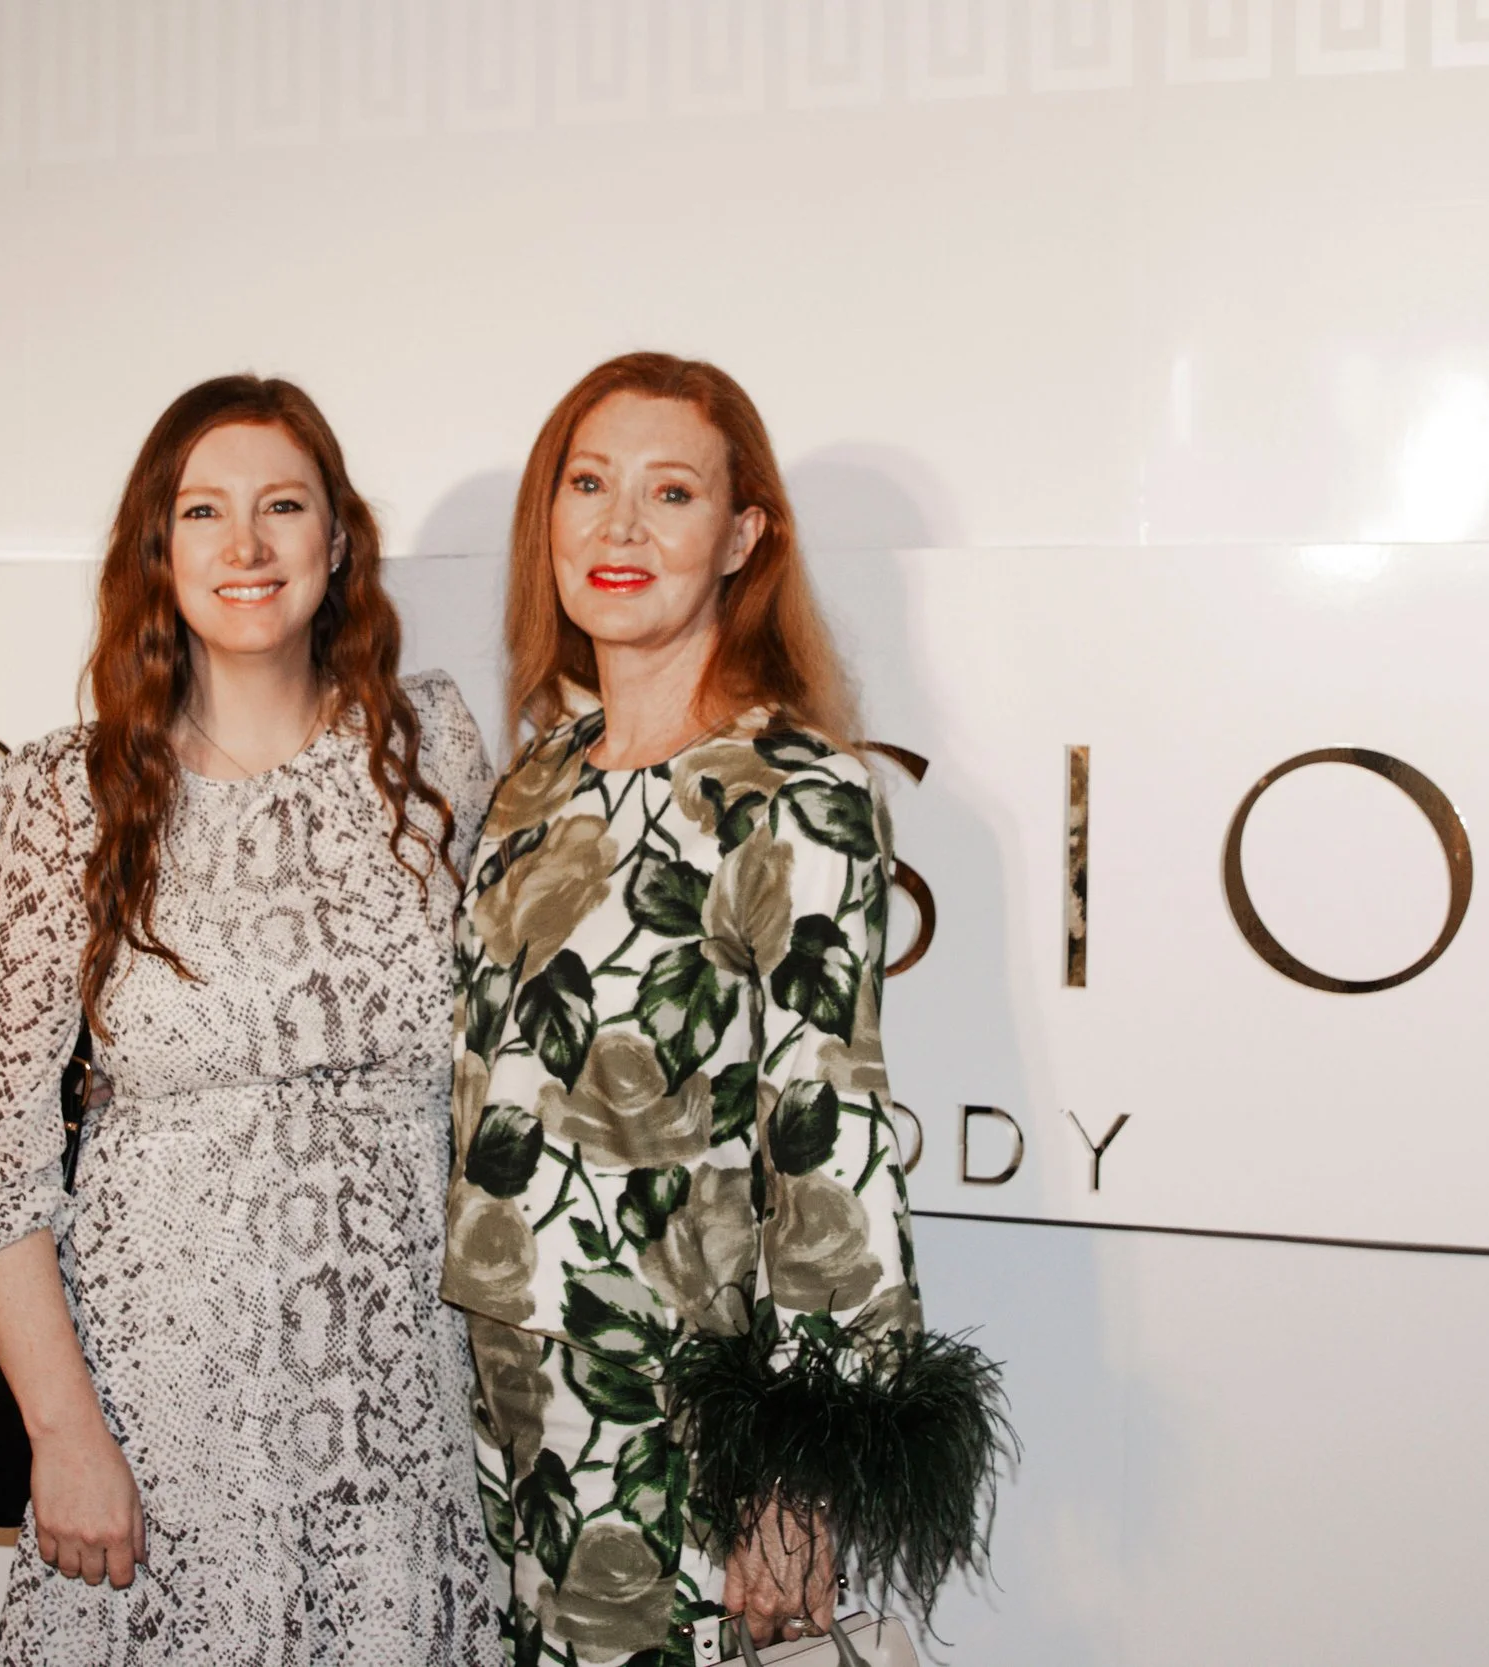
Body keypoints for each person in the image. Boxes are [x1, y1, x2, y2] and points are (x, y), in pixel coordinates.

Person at [443, 353, 1011, 1662]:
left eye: (673, 491)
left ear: (742, 534)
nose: (621, 525)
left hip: (686, 1424)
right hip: (501, 1414)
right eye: (588, 483)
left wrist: (802, 1476)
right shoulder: (535, 782)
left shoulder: (795, 792)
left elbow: (833, 1134)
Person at [0, 375, 501, 1665]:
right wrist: (66, 1436)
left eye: (282, 507)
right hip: (161, 1431)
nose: (245, 548)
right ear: (160, 549)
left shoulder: (435, 757)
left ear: (337, 541)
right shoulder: (64, 796)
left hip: (401, 1426)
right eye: (204, 512)